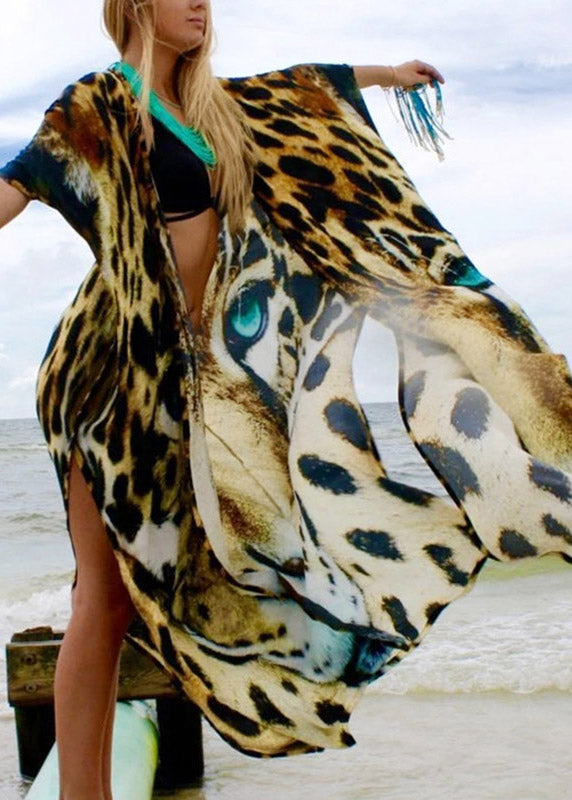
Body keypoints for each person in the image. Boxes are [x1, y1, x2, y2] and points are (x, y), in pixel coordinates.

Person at [1, 2, 571, 799]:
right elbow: (15, 188)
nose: (201, 4)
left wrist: (389, 76)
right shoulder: (97, 104)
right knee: (100, 599)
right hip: (111, 377)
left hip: (193, 386)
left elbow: (305, 90)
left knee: (138, 600)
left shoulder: (217, 110)